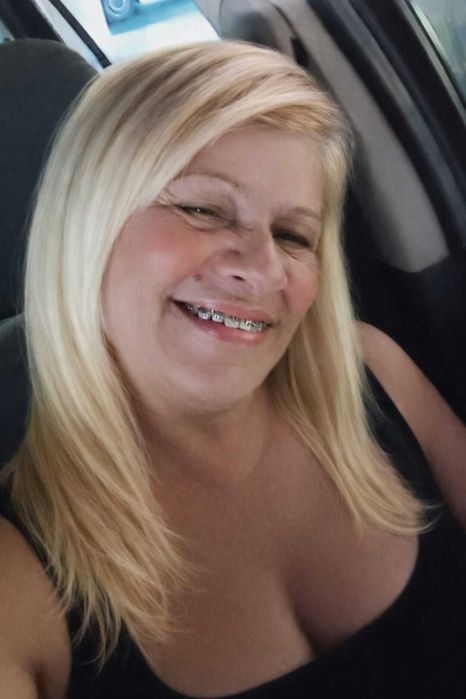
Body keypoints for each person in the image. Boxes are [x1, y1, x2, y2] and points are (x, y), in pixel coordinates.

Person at [0, 40, 465, 699]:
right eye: (204, 210)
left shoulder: (374, 374)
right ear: (87, 228)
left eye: (294, 235)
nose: (264, 269)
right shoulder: (16, 573)